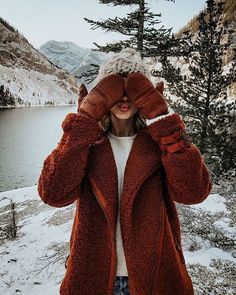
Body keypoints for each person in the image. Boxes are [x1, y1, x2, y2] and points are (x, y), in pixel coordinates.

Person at [37, 48, 212, 295]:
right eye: (115, 86)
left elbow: (194, 192)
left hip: (155, 277)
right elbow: (53, 193)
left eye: (133, 88)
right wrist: (84, 121)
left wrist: (164, 122)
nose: (124, 97)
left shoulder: (160, 143)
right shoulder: (87, 144)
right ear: (102, 92)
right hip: (93, 279)